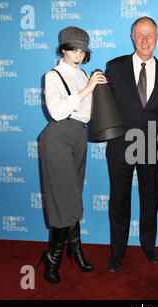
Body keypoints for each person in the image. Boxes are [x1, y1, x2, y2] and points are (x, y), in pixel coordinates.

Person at [104, 17, 158, 272]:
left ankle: (148, 247)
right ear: (132, 37)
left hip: (151, 143)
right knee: (119, 199)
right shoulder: (114, 68)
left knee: (150, 198)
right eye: (140, 35)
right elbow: (102, 104)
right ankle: (117, 252)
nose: (145, 40)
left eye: (150, 35)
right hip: (120, 144)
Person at [38, 26, 107, 284]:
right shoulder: (53, 75)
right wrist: (87, 89)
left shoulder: (84, 74)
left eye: (82, 50)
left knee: (73, 196)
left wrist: (97, 87)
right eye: (72, 49)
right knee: (64, 200)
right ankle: (54, 255)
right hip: (58, 136)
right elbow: (56, 112)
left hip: (79, 136)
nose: (77, 55)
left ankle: (74, 249)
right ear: (63, 49)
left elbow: (89, 111)